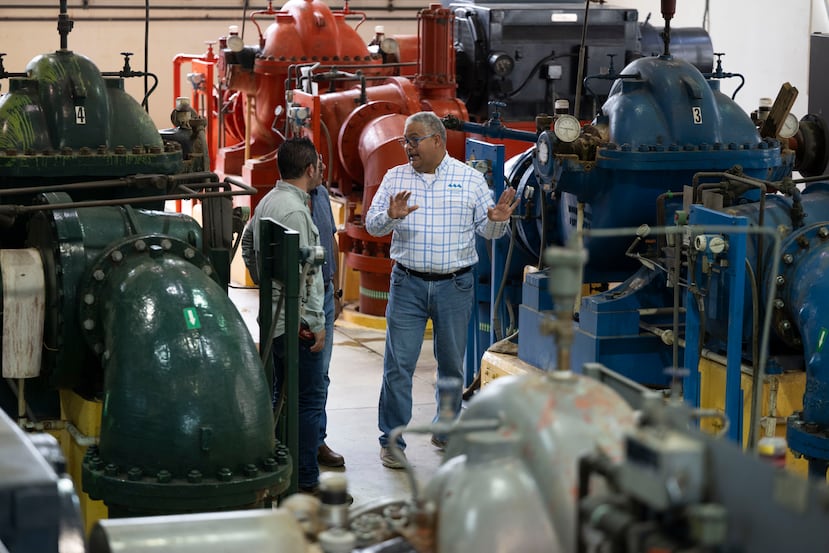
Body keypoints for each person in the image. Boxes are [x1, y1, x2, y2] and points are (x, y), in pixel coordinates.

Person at [365, 111, 517, 469]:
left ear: (437, 140)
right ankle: (392, 440)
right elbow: (372, 225)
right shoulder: (395, 177)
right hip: (407, 284)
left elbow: (487, 230)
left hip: (455, 285)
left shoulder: (469, 179)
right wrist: (390, 216)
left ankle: (445, 429)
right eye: (405, 141)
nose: (407, 147)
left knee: (451, 366)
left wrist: (498, 222)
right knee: (398, 366)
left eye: (413, 140)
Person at [244, 136, 327, 492]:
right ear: (309, 169)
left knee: (283, 395)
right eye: (319, 165)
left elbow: (248, 243)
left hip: (275, 321)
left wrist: (264, 281)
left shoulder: (268, 200)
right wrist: (316, 321)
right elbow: (310, 271)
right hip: (296, 325)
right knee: (308, 400)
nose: (321, 170)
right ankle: (305, 479)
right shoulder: (295, 212)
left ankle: (284, 468)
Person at [309, 176, 346, 468]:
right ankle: (298, 441)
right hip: (299, 299)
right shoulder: (284, 202)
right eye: (317, 162)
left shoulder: (321, 194)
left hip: (324, 293)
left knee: (321, 374)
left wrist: (335, 290)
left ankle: (317, 440)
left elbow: (331, 240)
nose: (322, 167)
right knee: (301, 375)